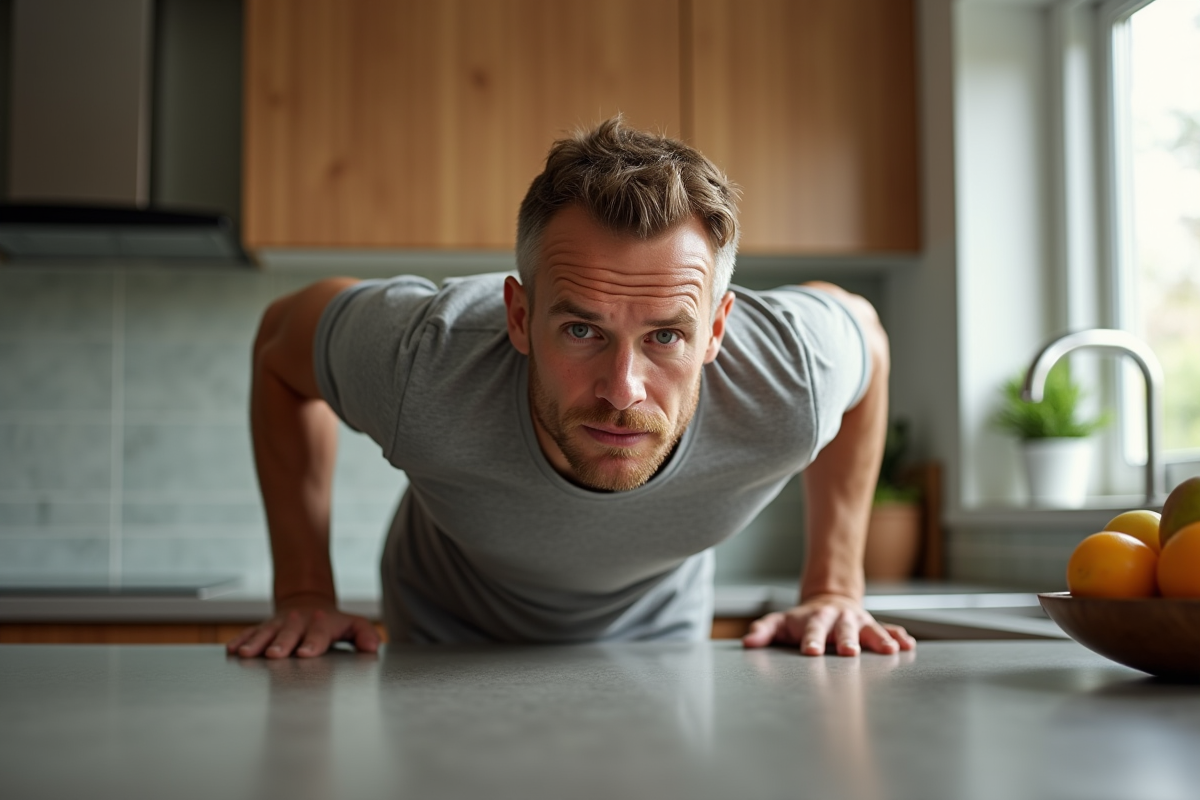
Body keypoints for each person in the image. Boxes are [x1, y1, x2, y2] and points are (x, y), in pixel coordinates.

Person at [228, 117, 915, 659]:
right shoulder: (424, 359)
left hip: (658, 642)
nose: (623, 390)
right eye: (582, 331)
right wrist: (303, 589)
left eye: (666, 337)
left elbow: (871, 344)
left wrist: (834, 586)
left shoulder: (789, 372)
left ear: (716, 332)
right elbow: (280, 342)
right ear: (520, 317)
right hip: (445, 639)